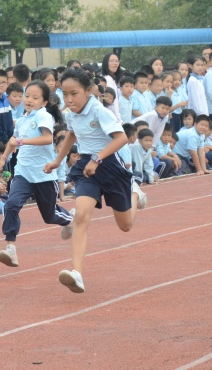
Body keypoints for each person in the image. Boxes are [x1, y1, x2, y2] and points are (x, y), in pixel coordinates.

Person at [46, 68, 146, 294]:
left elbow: (121, 138)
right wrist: (58, 160)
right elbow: (71, 134)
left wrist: (98, 159)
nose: (69, 99)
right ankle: (77, 273)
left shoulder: (100, 111)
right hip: (86, 168)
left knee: (125, 226)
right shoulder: (71, 114)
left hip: (110, 167)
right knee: (81, 216)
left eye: (74, 94)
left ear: (89, 91)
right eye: (65, 94)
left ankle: (135, 192)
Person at [0, 80, 73, 268]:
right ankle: (11, 248)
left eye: (35, 97)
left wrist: (22, 142)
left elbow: (47, 138)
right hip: (23, 173)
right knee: (11, 205)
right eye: (27, 96)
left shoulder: (43, 115)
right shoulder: (22, 119)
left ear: (44, 102)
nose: (29, 100)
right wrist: (3, 159)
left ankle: (71, 220)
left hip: (44, 174)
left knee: (49, 216)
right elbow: (13, 141)